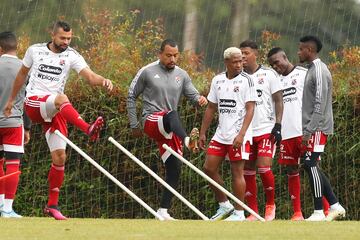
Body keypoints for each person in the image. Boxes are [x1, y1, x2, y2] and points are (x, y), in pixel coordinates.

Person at [3, 21, 113, 220]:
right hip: (35, 103)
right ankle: (88, 129)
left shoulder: (71, 55)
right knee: (62, 99)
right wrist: (11, 100)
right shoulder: (34, 51)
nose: (66, 42)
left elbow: (89, 76)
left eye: (69, 38)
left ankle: (52, 205)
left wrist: (103, 80)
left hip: (55, 109)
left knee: (60, 157)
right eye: (62, 38)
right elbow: (21, 76)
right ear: (52, 34)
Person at [127, 39, 207, 220]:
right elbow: (131, 96)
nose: (172, 59)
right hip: (151, 121)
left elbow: (193, 95)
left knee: (175, 167)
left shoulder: (182, 74)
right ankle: (187, 140)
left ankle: (162, 211)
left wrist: (200, 99)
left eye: (175, 55)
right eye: (168, 55)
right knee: (171, 114)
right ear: (159, 54)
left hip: (170, 128)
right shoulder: (147, 71)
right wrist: (134, 124)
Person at [200, 47, 256, 221]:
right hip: (220, 134)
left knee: (236, 171)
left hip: (239, 135)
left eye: (241, 61)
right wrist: (202, 133)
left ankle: (239, 213)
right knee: (208, 168)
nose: (240, 64)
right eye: (235, 61)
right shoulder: (217, 80)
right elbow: (211, 107)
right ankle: (225, 205)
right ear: (226, 62)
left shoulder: (247, 80)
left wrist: (241, 135)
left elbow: (250, 108)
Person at [298, 35, 346, 221]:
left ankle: (319, 211)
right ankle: (335, 205)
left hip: (317, 128)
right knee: (311, 165)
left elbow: (320, 102)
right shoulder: (311, 69)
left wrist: (309, 130)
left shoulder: (319, 69)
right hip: (313, 128)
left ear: (309, 50)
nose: (298, 52)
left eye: (301, 49)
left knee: (310, 164)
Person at [239, 40, 283, 221]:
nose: (243, 56)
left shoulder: (269, 74)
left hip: (266, 129)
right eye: (240, 53)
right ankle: (253, 212)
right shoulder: (239, 77)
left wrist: (278, 125)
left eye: (246, 53)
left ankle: (270, 205)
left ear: (255, 54)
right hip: (246, 132)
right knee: (247, 171)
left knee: (264, 168)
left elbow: (279, 100)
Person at [267, 47, 308, 220]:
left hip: (304, 131)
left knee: (312, 168)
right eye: (272, 65)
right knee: (292, 170)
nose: (276, 67)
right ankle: (297, 213)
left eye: (277, 62)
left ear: (285, 57)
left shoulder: (304, 74)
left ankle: (327, 210)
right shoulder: (275, 81)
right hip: (285, 134)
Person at [0, 31, 32, 218]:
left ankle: (0, 205)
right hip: (14, 122)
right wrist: (27, 127)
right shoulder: (24, 68)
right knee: (13, 163)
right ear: (16, 47)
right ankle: (8, 209)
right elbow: (28, 99)